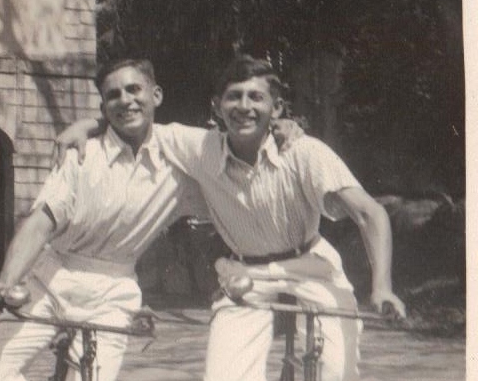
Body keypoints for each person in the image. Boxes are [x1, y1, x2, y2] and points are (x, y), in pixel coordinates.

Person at [55, 55, 406, 381]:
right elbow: (136, 119)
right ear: (217, 107)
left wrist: (383, 288)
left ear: (277, 107)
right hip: (246, 274)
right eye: (233, 97)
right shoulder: (199, 147)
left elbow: (369, 213)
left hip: (312, 266)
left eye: (256, 98)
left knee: (335, 369)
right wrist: (90, 124)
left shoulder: (304, 151)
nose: (244, 107)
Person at [0, 59, 215, 381]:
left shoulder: (178, 166)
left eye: (134, 89)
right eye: (113, 95)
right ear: (103, 106)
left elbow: (229, 179)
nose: (125, 100)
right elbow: (40, 223)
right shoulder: (80, 155)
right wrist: (5, 283)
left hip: (113, 293)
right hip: (51, 279)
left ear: (157, 95)